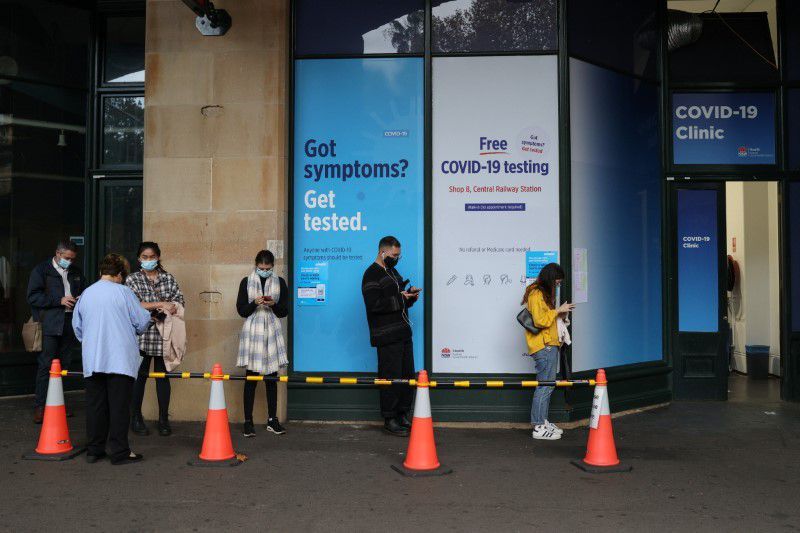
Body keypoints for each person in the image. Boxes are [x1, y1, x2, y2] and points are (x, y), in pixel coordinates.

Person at [72, 253, 151, 465]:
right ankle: (119, 452)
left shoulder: (87, 293)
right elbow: (142, 322)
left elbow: (77, 327)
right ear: (119, 274)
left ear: (101, 272)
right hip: (119, 359)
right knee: (119, 407)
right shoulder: (124, 293)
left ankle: (94, 449)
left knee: (96, 406)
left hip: (94, 358)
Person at [361, 236, 420, 436]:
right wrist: (400, 298)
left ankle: (403, 414)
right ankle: (390, 418)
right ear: (383, 252)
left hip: (403, 332)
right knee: (390, 376)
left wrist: (409, 296)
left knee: (406, 375)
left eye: (398, 255)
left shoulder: (393, 272)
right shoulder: (371, 274)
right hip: (387, 336)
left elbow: (399, 301)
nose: (397, 258)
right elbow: (374, 305)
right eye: (394, 255)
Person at [125, 242, 185, 437]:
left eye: (152, 257)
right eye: (145, 257)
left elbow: (179, 301)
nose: (149, 260)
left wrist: (170, 306)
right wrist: (160, 304)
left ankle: (163, 419)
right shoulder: (132, 279)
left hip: (164, 335)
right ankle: (135, 418)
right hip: (142, 335)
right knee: (138, 379)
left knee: (163, 378)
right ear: (138, 259)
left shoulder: (168, 278)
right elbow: (134, 305)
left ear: (158, 257)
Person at [27, 240, 86, 424]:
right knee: (46, 365)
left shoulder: (76, 272)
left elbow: (85, 291)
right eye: (67, 258)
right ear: (58, 254)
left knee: (63, 366)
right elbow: (33, 297)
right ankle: (40, 406)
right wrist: (58, 300)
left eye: (72, 259)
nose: (69, 261)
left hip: (69, 323)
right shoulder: (42, 270)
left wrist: (80, 298)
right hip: (49, 324)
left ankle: (57, 404)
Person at [236, 250, 289, 437]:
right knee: (250, 378)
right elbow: (241, 310)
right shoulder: (246, 281)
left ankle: (272, 420)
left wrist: (273, 304)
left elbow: (284, 312)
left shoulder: (280, 282)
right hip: (253, 333)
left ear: (273, 266)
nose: (264, 271)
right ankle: (248, 421)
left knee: (272, 378)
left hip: (272, 332)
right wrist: (254, 303)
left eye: (267, 268)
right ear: (256, 265)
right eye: (261, 268)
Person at [522, 263, 575, 440]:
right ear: (550, 278)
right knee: (545, 386)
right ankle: (538, 426)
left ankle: (543, 421)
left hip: (548, 345)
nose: (558, 285)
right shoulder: (537, 294)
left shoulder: (541, 293)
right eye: (557, 282)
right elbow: (540, 321)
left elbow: (546, 318)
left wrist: (559, 313)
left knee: (547, 385)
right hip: (544, 346)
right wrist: (558, 310)